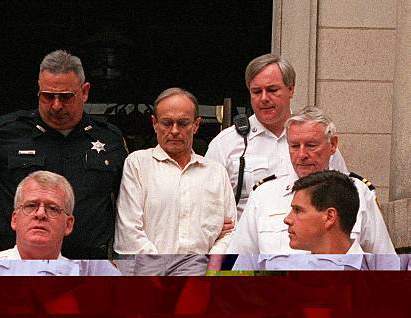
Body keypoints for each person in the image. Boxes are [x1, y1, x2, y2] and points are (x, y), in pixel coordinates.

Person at [0, 49, 127, 259]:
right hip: (13, 268)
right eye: (48, 96)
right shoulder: (9, 131)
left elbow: (129, 202)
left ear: (85, 91)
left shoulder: (110, 138)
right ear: (38, 90)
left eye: (65, 97)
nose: (56, 105)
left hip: (87, 269)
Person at [227, 106, 395, 256]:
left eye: (311, 145)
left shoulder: (358, 192)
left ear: (333, 144)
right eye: (294, 146)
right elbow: (235, 263)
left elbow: (385, 264)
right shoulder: (264, 194)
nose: (302, 154)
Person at [114, 88, 237, 274]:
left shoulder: (216, 172)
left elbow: (229, 232)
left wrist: (211, 268)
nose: (174, 131)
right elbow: (129, 233)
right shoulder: (138, 164)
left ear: (196, 125)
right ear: (154, 124)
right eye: (166, 123)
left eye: (183, 123)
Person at [205, 54, 347, 215]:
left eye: (272, 90)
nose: (264, 98)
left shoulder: (318, 140)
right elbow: (207, 205)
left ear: (291, 89)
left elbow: (343, 195)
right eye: (257, 92)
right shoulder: (225, 144)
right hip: (251, 238)